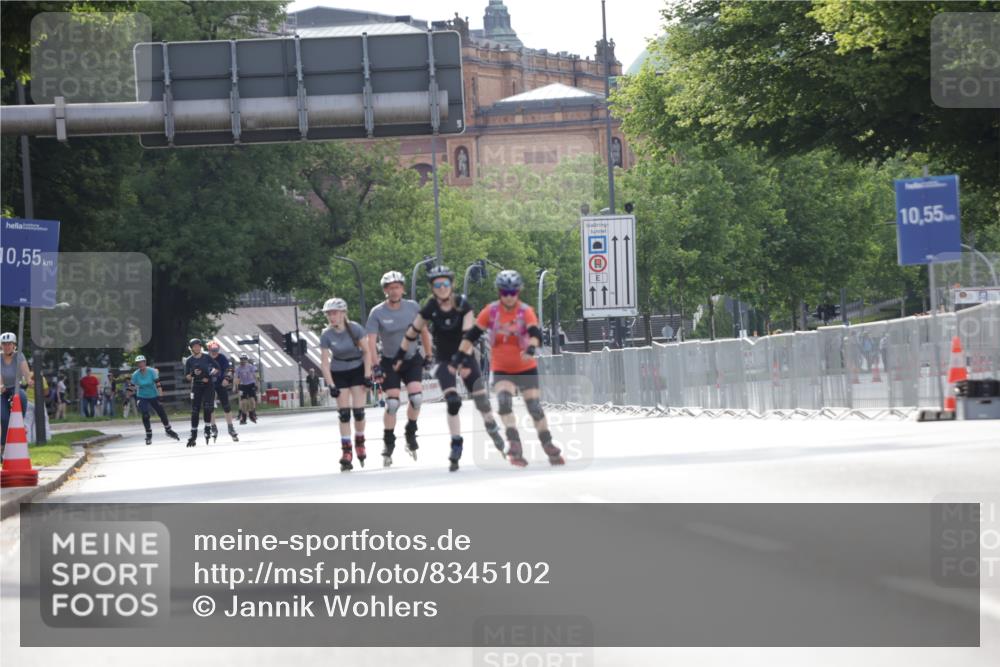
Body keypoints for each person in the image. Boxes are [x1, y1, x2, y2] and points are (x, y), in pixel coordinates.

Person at [394, 265, 506, 472]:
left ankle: (492, 427)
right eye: (437, 284)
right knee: (453, 402)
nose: (442, 287)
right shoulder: (430, 307)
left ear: (451, 285)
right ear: (432, 288)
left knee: (481, 400)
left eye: (445, 283)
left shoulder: (463, 304)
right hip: (444, 359)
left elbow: (467, 336)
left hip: (465, 355)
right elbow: (412, 332)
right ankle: (456, 443)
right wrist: (399, 355)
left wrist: (460, 362)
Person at [455, 270, 565, 467]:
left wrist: (531, 348)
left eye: (512, 292)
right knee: (504, 403)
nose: (508, 297)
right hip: (502, 368)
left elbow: (535, 333)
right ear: (499, 292)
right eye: (504, 292)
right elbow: (471, 336)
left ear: (518, 291)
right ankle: (514, 444)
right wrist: (459, 357)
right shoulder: (491, 311)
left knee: (534, 408)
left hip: (526, 366)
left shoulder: (525, 311)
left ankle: (547, 443)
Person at [367, 270, 432, 466]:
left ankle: (411, 432)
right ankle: (388, 442)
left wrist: (429, 354)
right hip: (389, 361)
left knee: (417, 398)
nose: (394, 291)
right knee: (393, 403)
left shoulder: (412, 307)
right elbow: (371, 341)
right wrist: (374, 365)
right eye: (390, 288)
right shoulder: (377, 312)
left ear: (402, 289)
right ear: (385, 291)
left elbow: (424, 332)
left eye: (397, 287)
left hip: (411, 358)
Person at [319, 298, 372, 472]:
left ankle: (360, 442)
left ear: (343, 313)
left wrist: (367, 375)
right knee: (343, 414)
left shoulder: (355, 329)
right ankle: (346, 451)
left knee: (358, 412)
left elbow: (367, 352)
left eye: (334, 313)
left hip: (357, 369)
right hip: (338, 370)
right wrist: (331, 384)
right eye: (329, 314)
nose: (331, 317)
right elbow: (325, 363)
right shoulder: (326, 335)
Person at [128, 355, 180, 444]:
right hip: (142, 396)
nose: (141, 364)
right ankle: (148, 435)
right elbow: (131, 387)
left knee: (161, 413)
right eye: (139, 363)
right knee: (145, 414)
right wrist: (126, 398)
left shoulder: (152, 371)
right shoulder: (135, 374)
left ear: (145, 362)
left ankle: (168, 430)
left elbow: (158, 385)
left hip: (153, 395)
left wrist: (161, 397)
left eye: (142, 362)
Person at [183, 338, 221, 447]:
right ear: (191, 348)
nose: (196, 348)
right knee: (195, 410)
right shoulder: (189, 360)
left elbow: (217, 368)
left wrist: (210, 374)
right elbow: (187, 377)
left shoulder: (207, 357)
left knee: (208, 407)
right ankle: (193, 433)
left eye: (198, 346)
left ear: (200, 347)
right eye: (194, 346)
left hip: (208, 385)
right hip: (197, 386)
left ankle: (207, 428)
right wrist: (194, 374)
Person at [1, 332, 32, 451]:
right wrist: (1, 385)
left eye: (9, 344)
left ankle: (20, 422)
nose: (7, 346)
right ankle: (3, 445)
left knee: (22, 396)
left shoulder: (19, 355)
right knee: (3, 418)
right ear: (1, 346)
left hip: (15, 387)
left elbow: (25, 370)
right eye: (4, 344)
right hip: (2, 389)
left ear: (14, 345)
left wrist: (28, 379)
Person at [205, 340, 239, 442]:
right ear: (209, 350)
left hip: (220, 383)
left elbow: (229, 369)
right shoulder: (205, 359)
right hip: (210, 384)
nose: (214, 352)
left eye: (216, 350)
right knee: (210, 406)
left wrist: (227, 379)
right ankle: (213, 427)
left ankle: (230, 428)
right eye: (212, 350)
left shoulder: (222, 358)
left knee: (226, 406)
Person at [234, 353, 259, 424]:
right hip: (243, 385)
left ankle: (252, 414)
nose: (243, 361)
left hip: (251, 384)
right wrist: (235, 387)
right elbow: (236, 378)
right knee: (244, 402)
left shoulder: (251, 367)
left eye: (244, 359)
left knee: (252, 400)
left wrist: (257, 384)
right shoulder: (238, 368)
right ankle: (244, 417)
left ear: (247, 360)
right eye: (241, 359)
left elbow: (256, 375)